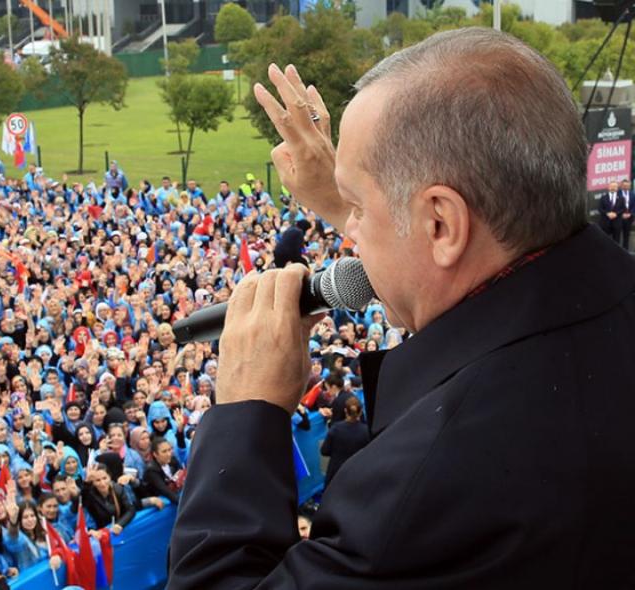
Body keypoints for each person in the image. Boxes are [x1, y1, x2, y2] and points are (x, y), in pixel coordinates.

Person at [169, 27, 635, 587]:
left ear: (440, 223)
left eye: (359, 208)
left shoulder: (431, 483)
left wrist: (246, 413)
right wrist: (360, 205)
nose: (350, 231)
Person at [319, 397, 369, 486]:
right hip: (358, 472)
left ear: (345, 411)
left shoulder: (336, 429)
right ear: (361, 412)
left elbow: (324, 451)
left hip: (336, 472)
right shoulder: (366, 431)